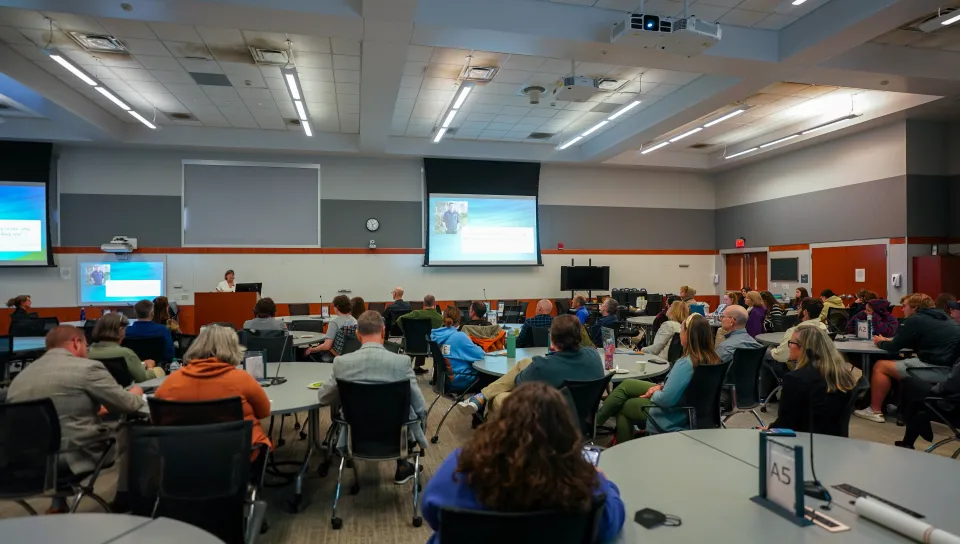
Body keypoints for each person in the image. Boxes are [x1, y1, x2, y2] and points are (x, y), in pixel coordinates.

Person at [423, 382, 625, 544]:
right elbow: (611, 522)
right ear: (566, 431)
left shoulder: (461, 464)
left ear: (501, 423)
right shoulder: (583, 479)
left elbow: (431, 512)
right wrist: (606, 483)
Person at [6, 326, 145, 513]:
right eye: (86, 345)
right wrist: (136, 392)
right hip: (70, 456)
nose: (87, 351)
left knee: (57, 435)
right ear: (76, 342)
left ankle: (58, 505)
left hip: (25, 459)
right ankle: (124, 498)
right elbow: (128, 405)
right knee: (129, 427)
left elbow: (49, 416)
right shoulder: (88, 368)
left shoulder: (22, 376)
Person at [317, 311, 428, 483]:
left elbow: (323, 398)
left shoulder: (342, 363)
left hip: (355, 438)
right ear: (383, 332)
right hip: (396, 438)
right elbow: (421, 407)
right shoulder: (402, 362)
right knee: (412, 412)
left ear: (357, 335)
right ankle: (402, 464)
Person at [596, 314, 721, 442]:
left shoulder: (686, 363)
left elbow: (666, 400)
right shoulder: (714, 360)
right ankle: (597, 421)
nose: (680, 333)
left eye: (682, 330)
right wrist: (660, 387)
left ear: (688, 335)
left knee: (625, 406)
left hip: (673, 413)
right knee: (627, 384)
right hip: (696, 412)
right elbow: (687, 386)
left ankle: (602, 431)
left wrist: (654, 393)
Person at [153, 325, 271, 457]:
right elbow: (264, 411)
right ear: (232, 348)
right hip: (235, 455)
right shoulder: (242, 378)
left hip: (180, 455)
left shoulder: (172, 380)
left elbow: (156, 416)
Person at [458, 315, 604, 415]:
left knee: (498, 398)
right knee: (525, 362)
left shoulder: (543, 366)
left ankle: (485, 400)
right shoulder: (593, 355)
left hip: (548, 418)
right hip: (583, 413)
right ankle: (482, 396)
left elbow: (518, 385)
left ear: (551, 339)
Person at [855, 293, 960, 423]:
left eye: (905, 306)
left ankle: (874, 410)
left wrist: (880, 342)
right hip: (952, 372)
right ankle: (899, 406)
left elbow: (893, 347)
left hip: (933, 368)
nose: (903, 309)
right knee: (896, 363)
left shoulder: (915, 320)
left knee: (881, 366)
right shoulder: (946, 318)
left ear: (915, 307)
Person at [764, 326, 858, 435]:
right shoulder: (846, 377)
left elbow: (786, 424)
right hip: (837, 444)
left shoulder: (795, 379)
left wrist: (769, 428)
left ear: (803, 348)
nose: (789, 346)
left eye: (791, 342)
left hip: (803, 445)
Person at [895, 361, 960, 450]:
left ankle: (911, 426)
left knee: (909, 384)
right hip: (955, 404)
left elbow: (950, 386)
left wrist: (937, 387)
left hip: (951, 408)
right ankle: (916, 422)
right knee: (916, 399)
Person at [88, 314, 165, 381]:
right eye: (125, 329)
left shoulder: (86, 353)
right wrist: (151, 368)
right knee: (159, 370)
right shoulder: (126, 353)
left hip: (96, 393)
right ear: (121, 330)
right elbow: (142, 378)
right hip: (126, 392)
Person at [431, 306, 485, 391]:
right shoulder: (460, 337)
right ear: (459, 320)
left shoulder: (435, 335)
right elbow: (480, 355)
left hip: (446, 379)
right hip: (462, 378)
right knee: (491, 378)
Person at [397, 294, 445, 374]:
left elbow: (399, 320)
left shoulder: (416, 313)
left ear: (424, 303)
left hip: (412, 344)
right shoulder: (440, 318)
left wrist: (406, 332)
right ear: (435, 303)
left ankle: (415, 367)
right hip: (429, 347)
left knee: (419, 336)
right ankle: (436, 374)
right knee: (429, 338)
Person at [770, 298, 826, 364]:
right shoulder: (823, 327)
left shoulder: (795, 331)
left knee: (766, 352)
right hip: (817, 365)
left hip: (795, 365)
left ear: (805, 312)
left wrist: (772, 350)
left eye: (799, 307)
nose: (798, 309)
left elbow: (781, 356)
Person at [305, 295, 356, 362]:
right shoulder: (355, 321)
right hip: (353, 355)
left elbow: (327, 346)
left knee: (312, 354)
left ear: (337, 307)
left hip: (338, 355)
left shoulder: (334, 323)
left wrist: (311, 349)